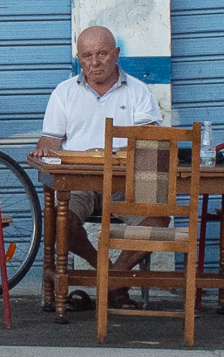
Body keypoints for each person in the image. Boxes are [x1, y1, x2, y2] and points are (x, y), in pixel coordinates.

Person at [34, 26, 166, 303]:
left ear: (116, 54)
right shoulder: (64, 92)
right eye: (87, 55)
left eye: (102, 54)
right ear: (79, 58)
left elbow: (151, 143)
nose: (94, 63)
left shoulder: (138, 92)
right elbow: (50, 142)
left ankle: (112, 278)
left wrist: (109, 152)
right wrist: (42, 150)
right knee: (59, 222)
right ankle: (109, 276)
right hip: (80, 183)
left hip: (124, 182)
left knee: (158, 218)